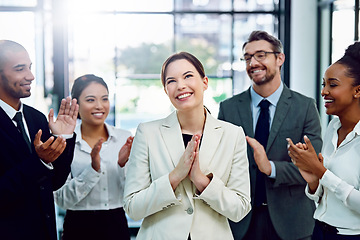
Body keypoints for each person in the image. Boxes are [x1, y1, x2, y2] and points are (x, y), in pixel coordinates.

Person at [123, 52, 251, 240]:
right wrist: (175, 176)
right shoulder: (147, 133)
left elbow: (240, 208)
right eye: (171, 81)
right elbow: (132, 207)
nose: (180, 85)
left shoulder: (233, 134)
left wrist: (201, 180)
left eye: (188, 76)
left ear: (205, 82)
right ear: (166, 90)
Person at [218, 30, 323, 240]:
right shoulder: (228, 109)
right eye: (247, 57)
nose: (252, 63)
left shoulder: (305, 107)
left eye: (260, 55)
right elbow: (221, 164)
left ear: (280, 58)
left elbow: (314, 168)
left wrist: (270, 168)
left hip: (292, 224)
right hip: (240, 223)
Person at [0, 39, 78, 240]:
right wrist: (39, 161)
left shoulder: (37, 118)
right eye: (20, 69)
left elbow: (54, 182)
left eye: (30, 67)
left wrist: (64, 137)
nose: (31, 76)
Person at [287, 42, 360, 239]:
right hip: (320, 231)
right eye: (323, 84)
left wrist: (322, 172)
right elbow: (324, 197)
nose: (323, 92)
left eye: (332, 85)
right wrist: (313, 180)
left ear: (358, 91)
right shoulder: (332, 128)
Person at [54, 74, 134, 240]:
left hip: (116, 225)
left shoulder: (124, 138)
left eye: (104, 99)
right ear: (75, 104)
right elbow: (62, 200)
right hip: (78, 227)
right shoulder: (64, 141)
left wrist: (122, 164)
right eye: (90, 100)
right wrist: (93, 170)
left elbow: (135, 194)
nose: (100, 106)